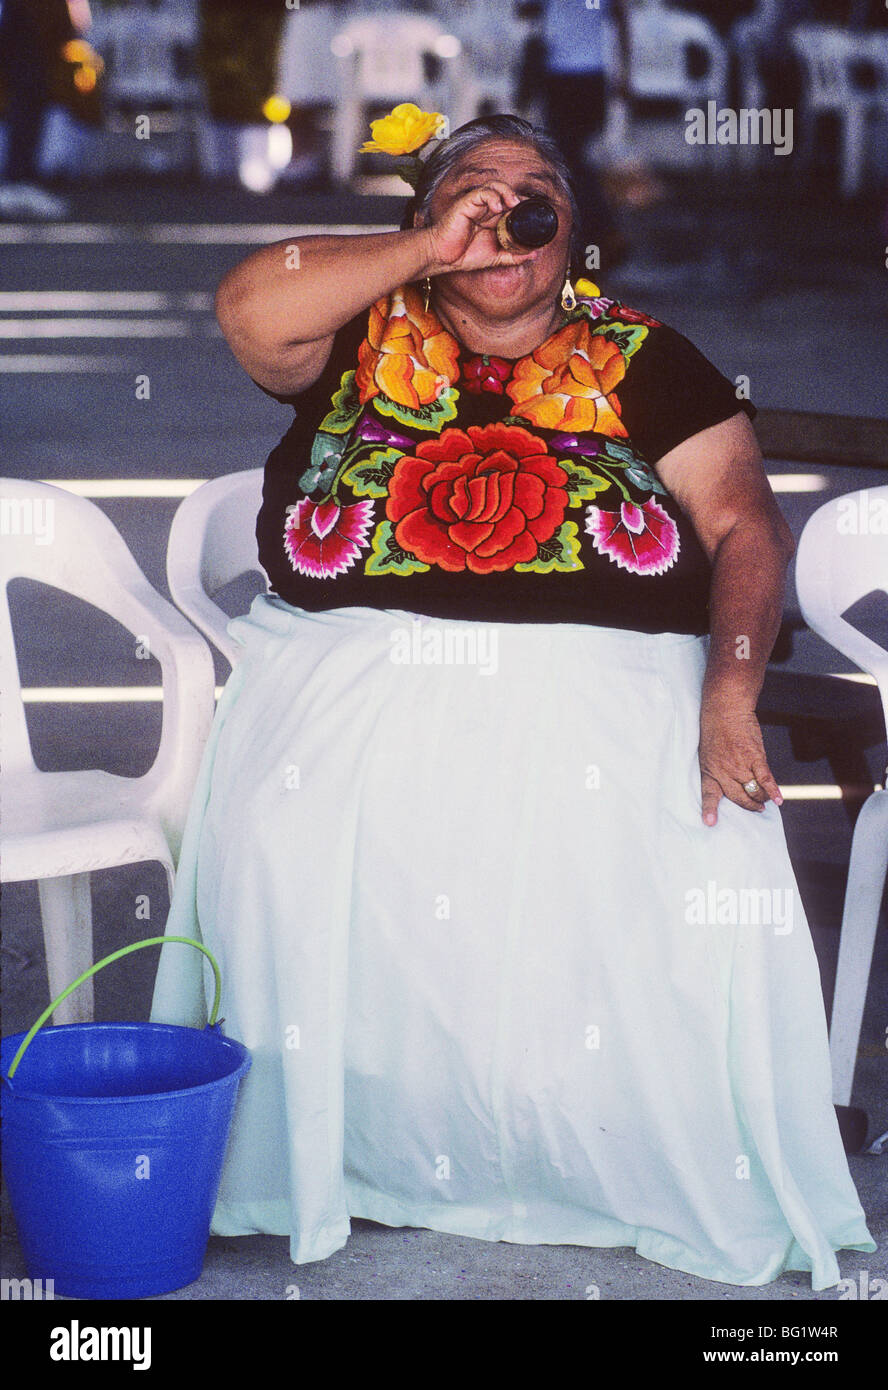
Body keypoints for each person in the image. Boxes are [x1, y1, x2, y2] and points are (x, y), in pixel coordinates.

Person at [151, 112, 874, 1287]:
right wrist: (429, 248)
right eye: (472, 189)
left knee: (673, 828)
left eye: (535, 197)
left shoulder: (643, 357)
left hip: (605, 677)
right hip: (353, 663)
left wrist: (732, 690)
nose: (504, 212)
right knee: (296, 818)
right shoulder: (357, 331)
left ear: (571, 236)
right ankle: (360, 1150)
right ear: (422, 214)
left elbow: (746, 524)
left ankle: (590, 1157)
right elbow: (247, 305)